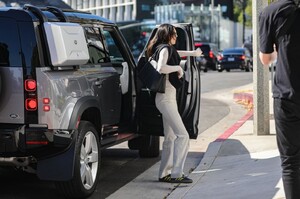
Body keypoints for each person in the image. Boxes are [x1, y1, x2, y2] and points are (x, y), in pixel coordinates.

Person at [146, 24, 202, 183]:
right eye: (175, 34)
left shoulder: (162, 48)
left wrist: (193, 53)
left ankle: (164, 173)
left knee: (170, 137)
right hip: (166, 99)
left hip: (164, 98)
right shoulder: (165, 49)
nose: (176, 37)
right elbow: (161, 68)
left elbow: (177, 53)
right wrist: (178, 68)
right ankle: (177, 174)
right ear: (167, 34)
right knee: (183, 135)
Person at [259, 1, 300, 198]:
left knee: (290, 162)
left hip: (286, 95)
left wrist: (280, 50)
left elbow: (265, 59)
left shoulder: (270, 12)